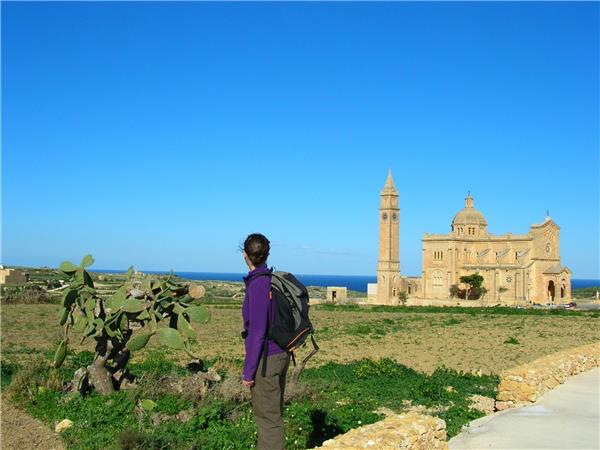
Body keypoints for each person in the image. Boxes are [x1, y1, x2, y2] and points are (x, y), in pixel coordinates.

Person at [241, 233, 290, 450]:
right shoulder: (270, 280)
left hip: (266, 360)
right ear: (266, 255)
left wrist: (248, 372)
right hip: (280, 353)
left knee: (268, 422)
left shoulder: (258, 284)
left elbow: (257, 332)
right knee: (274, 415)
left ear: (246, 255)